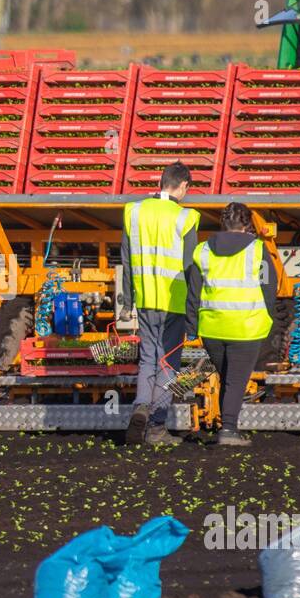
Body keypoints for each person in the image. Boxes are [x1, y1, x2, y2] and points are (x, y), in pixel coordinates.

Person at [186, 202, 278, 447]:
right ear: (248, 224)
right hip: (246, 327)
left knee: (228, 376)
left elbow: (193, 293)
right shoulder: (257, 250)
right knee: (236, 379)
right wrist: (269, 319)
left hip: (212, 328)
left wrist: (192, 326)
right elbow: (269, 287)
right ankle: (228, 429)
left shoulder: (202, 250)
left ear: (222, 222)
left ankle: (226, 425)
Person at [121, 162, 200, 445]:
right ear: (183, 186)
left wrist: (128, 300)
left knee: (147, 359)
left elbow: (127, 261)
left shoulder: (134, 211)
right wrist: (194, 311)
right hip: (174, 302)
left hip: (144, 299)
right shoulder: (186, 217)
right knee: (168, 364)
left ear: (161, 182)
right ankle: (156, 426)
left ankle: (140, 407)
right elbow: (192, 268)